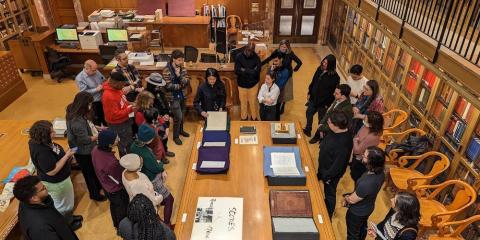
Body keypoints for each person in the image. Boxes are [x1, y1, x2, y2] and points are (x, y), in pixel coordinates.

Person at [28, 120, 83, 230]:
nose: (54, 133)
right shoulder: (42, 152)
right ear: (44, 136)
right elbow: (51, 171)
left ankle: (69, 218)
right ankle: (67, 224)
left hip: (61, 179)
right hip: (57, 182)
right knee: (63, 205)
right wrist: (67, 156)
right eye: (51, 132)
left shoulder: (40, 142)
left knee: (67, 202)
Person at [130, 124, 174, 226]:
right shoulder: (145, 153)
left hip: (144, 177)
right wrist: (161, 165)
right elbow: (156, 167)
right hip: (152, 178)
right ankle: (167, 225)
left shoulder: (133, 146)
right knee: (169, 200)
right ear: (148, 140)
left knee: (156, 198)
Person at [66, 91, 105, 201]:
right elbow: (85, 139)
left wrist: (98, 128)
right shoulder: (77, 122)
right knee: (89, 174)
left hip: (86, 147)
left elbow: (88, 124)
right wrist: (99, 135)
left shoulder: (74, 110)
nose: (91, 106)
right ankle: (94, 194)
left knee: (94, 170)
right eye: (89, 104)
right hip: (84, 151)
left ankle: (99, 185)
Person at [13, 176, 79, 239]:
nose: (46, 187)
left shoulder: (27, 201)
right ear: (34, 198)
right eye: (43, 188)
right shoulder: (40, 228)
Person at [343, 146, 386, 240]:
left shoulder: (366, 183)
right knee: (362, 228)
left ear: (372, 162)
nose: (363, 156)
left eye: (365, 156)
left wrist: (346, 197)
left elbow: (352, 200)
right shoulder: (381, 173)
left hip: (357, 213)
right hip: (368, 207)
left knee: (352, 234)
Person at [317, 110, 353, 218]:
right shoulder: (337, 131)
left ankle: (328, 214)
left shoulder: (343, 144)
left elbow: (338, 165)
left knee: (330, 194)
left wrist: (327, 177)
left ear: (336, 126)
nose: (328, 123)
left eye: (329, 122)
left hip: (330, 175)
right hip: (324, 168)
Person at [91, 129, 129, 230]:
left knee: (114, 205)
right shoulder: (111, 163)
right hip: (116, 189)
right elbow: (120, 178)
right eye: (116, 140)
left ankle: (116, 224)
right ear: (109, 144)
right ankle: (123, 228)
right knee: (121, 208)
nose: (118, 140)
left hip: (105, 185)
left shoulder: (95, 150)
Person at [303, 54, 340, 137]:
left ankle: (318, 135)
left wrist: (327, 104)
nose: (323, 64)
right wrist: (309, 92)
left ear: (331, 65)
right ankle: (308, 129)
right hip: (313, 99)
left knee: (321, 120)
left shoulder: (335, 77)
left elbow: (332, 93)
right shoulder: (319, 69)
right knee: (309, 112)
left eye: (326, 63)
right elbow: (313, 81)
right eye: (323, 62)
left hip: (323, 103)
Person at [102, 71, 136, 156]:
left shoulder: (116, 89)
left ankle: (131, 156)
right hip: (118, 125)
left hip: (125, 120)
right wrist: (130, 109)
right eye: (122, 85)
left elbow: (123, 101)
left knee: (129, 141)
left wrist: (131, 103)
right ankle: (126, 162)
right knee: (123, 145)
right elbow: (113, 115)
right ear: (116, 83)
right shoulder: (108, 96)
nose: (123, 87)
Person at [261, 39, 302, 105]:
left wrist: (295, 69)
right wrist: (260, 64)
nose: (283, 48)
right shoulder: (276, 52)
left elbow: (299, 62)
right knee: (276, 90)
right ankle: (276, 103)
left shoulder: (290, 53)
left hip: (286, 74)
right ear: (279, 46)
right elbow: (269, 58)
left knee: (284, 92)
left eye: (285, 47)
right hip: (277, 73)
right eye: (281, 46)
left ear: (288, 47)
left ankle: (282, 105)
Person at [162, 50, 191, 145]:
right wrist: (181, 85)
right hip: (173, 97)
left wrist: (179, 76)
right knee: (178, 117)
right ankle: (176, 136)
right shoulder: (166, 70)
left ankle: (181, 130)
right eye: (179, 60)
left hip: (183, 95)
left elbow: (186, 81)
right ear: (173, 59)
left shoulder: (182, 68)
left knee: (182, 114)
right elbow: (168, 86)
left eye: (182, 60)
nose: (181, 62)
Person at [145, 73, 174, 158]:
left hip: (164, 118)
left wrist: (167, 114)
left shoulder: (160, 92)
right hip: (155, 121)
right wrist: (160, 117)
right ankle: (160, 156)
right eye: (156, 86)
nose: (158, 87)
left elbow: (165, 103)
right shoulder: (146, 95)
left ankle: (165, 151)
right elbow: (149, 111)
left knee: (165, 137)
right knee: (157, 140)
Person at [350, 111, 384, 183]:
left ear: (372, 124)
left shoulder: (371, 136)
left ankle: (355, 191)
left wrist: (354, 140)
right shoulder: (372, 127)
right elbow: (358, 134)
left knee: (356, 177)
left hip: (360, 160)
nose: (364, 121)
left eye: (366, 120)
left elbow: (357, 150)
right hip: (359, 154)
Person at [134, 94, 167, 164]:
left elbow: (158, 116)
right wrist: (157, 129)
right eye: (151, 100)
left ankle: (164, 155)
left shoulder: (150, 107)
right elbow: (144, 128)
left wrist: (164, 125)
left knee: (160, 144)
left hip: (155, 130)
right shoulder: (139, 114)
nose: (152, 102)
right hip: (150, 136)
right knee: (156, 149)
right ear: (145, 101)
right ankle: (159, 159)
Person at [75, 59, 107, 126]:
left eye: (96, 69)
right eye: (93, 70)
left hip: (103, 98)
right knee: (96, 120)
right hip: (94, 102)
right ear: (86, 69)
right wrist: (96, 89)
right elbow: (84, 93)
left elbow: (103, 80)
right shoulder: (80, 78)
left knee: (105, 117)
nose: (96, 72)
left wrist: (104, 84)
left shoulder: (95, 71)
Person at [235, 42, 261, 120]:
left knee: (253, 103)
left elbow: (256, 72)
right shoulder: (238, 57)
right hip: (241, 85)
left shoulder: (256, 58)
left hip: (253, 85)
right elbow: (237, 71)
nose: (248, 52)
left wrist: (244, 70)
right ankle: (244, 118)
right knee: (243, 103)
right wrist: (250, 70)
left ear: (253, 50)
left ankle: (254, 118)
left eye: (250, 51)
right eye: (247, 50)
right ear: (245, 48)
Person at [269, 52, 290, 120]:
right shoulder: (272, 68)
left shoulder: (285, 71)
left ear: (281, 59)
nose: (274, 63)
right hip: (270, 94)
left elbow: (279, 85)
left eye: (276, 61)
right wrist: (271, 71)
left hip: (278, 95)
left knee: (276, 112)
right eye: (273, 61)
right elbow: (267, 79)